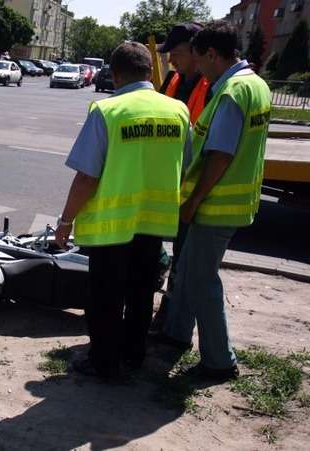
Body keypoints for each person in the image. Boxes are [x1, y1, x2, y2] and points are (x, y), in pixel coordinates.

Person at [55, 42, 192, 380]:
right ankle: (134, 354)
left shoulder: (108, 110)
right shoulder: (178, 110)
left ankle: (104, 363)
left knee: (106, 297)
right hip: (154, 223)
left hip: (111, 228)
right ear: (150, 71)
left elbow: (87, 176)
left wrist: (65, 221)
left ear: (115, 75)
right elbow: (185, 163)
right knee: (142, 292)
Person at [162, 21, 271, 381]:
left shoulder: (230, 93)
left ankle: (219, 361)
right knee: (191, 273)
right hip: (234, 202)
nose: (199, 69)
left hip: (215, 206)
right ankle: (175, 335)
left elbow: (220, 156)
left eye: (198, 59)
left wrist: (192, 202)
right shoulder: (255, 85)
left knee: (201, 281)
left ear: (211, 54)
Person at [151, 22, 211, 333]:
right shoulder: (173, 81)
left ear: (196, 52)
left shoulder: (211, 87)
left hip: (193, 184)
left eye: (177, 53)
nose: (171, 60)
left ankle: (170, 323)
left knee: (185, 259)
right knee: (155, 244)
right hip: (168, 181)